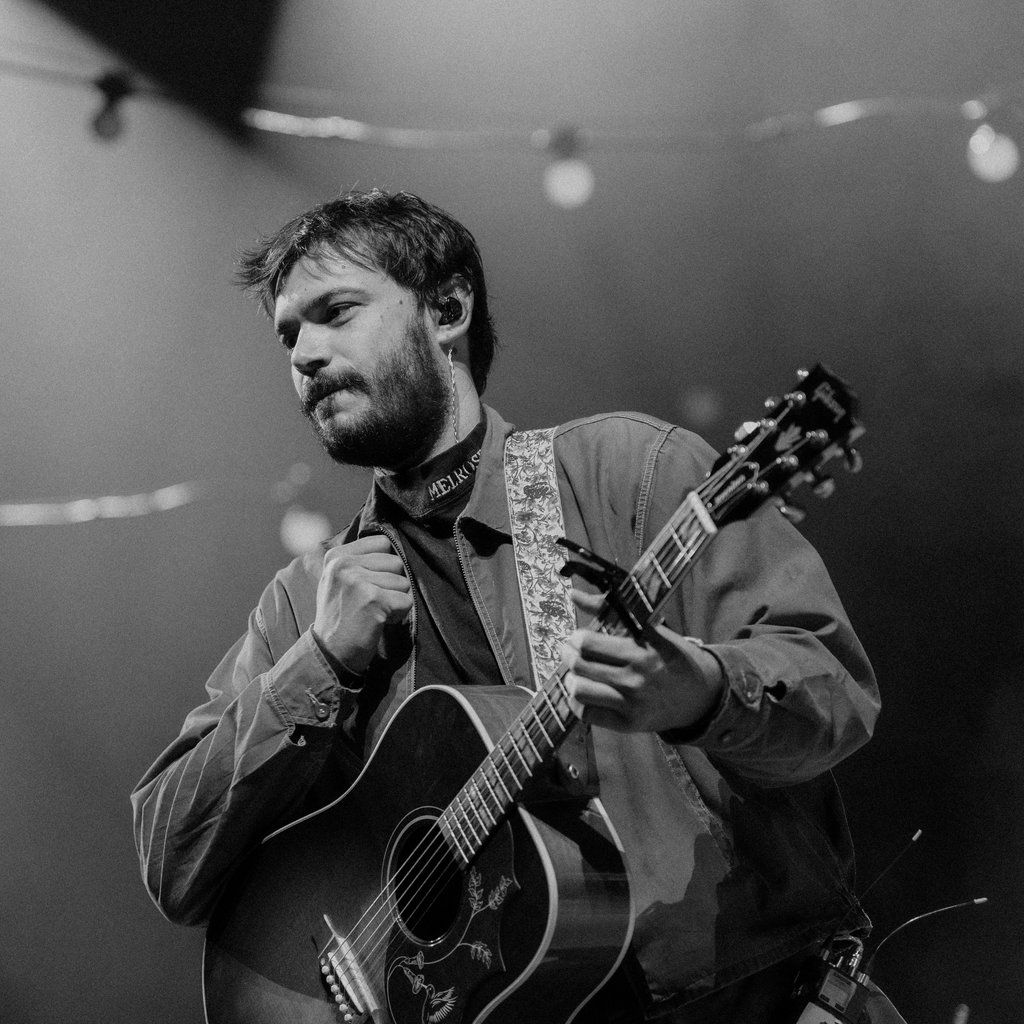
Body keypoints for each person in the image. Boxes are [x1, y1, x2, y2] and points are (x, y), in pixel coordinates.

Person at [131, 189, 879, 1023]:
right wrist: (321, 661)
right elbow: (174, 860)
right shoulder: (306, 601)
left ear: (448, 310)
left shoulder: (627, 470)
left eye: (337, 312)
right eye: (288, 334)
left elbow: (838, 695)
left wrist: (700, 692)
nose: (305, 353)